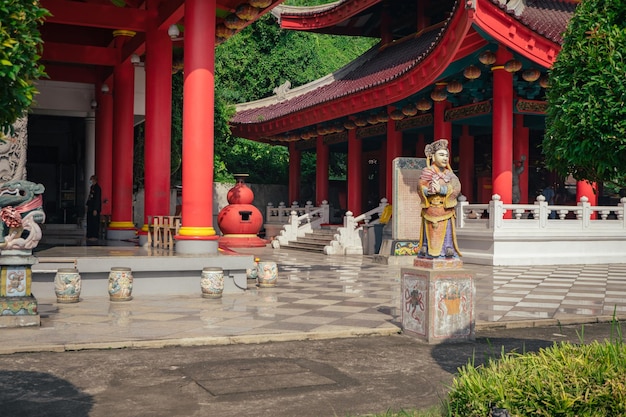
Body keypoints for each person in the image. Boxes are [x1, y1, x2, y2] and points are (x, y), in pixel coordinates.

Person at [417, 139, 462, 258]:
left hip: (445, 209)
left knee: (446, 232)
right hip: (430, 209)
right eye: (441, 155)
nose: (445, 158)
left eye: (446, 155)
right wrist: (429, 190)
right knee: (429, 231)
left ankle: (447, 248)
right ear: (432, 156)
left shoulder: (449, 174)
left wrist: (441, 189)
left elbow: (456, 187)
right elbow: (420, 188)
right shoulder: (427, 172)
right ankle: (425, 247)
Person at [85, 175, 101, 241]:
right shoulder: (92, 187)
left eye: (91, 180)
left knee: (94, 222)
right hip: (90, 207)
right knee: (89, 222)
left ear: (95, 180)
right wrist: (87, 205)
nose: (90, 181)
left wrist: (95, 209)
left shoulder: (98, 188)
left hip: (94, 208)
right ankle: (89, 235)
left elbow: (97, 199)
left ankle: (94, 236)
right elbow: (90, 197)